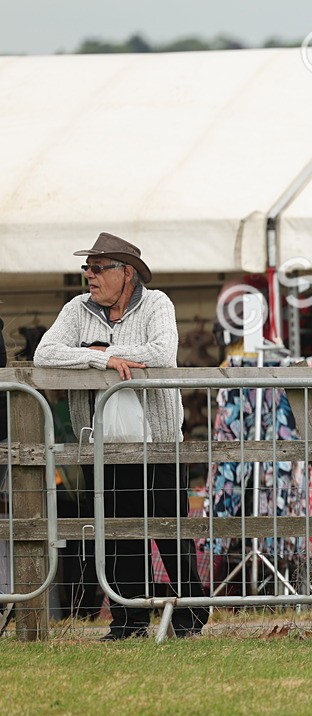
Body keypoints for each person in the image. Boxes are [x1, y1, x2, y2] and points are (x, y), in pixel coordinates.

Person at [34, 232, 209, 639]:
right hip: (104, 444)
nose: (89, 276)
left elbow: (163, 352)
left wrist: (110, 354)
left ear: (126, 273)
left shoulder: (158, 303)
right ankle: (128, 621)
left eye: (98, 268)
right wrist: (102, 358)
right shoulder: (77, 308)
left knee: (171, 532)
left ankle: (190, 617)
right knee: (117, 536)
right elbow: (46, 353)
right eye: (87, 269)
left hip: (161, 440)